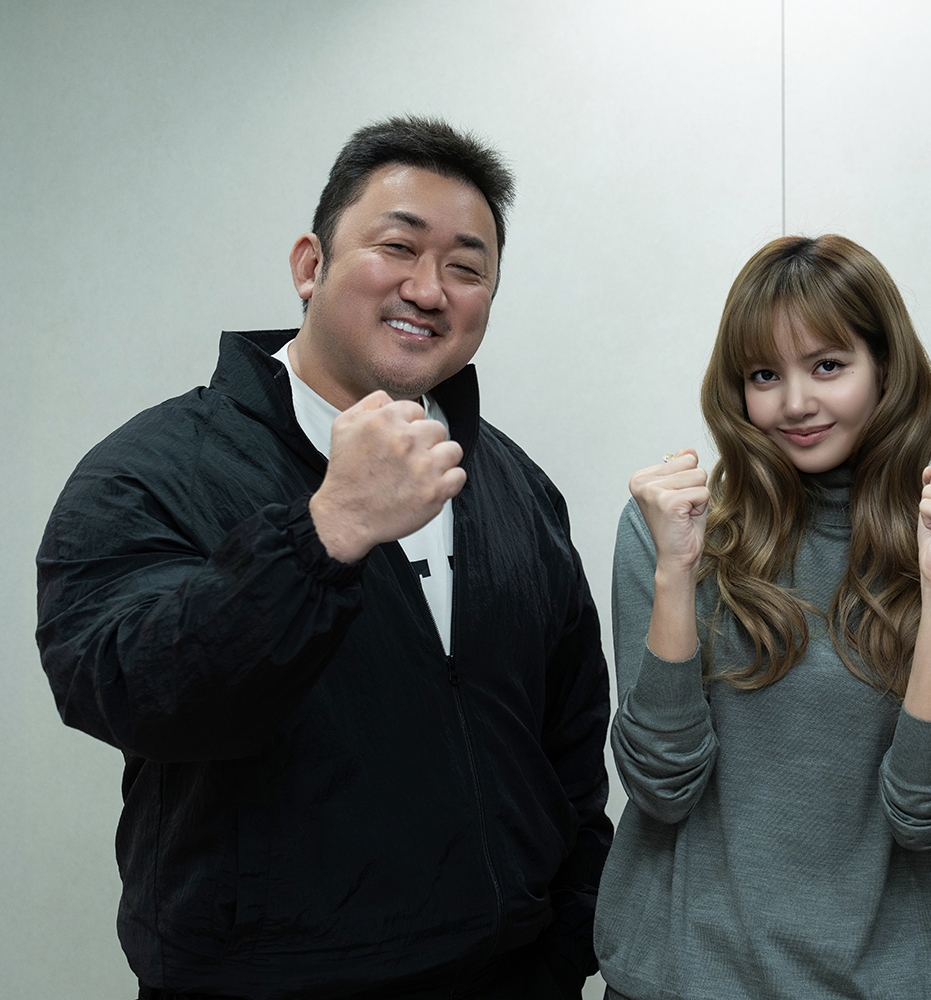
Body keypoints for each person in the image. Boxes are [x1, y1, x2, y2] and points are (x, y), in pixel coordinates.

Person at [36, 116, 612, 1000]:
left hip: (510, 973)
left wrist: (571, 931)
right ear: (311, 266)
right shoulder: (152, 469)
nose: (429, 289)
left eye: (467, 268)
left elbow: (569, 738)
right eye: (398, 247)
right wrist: (324, 534)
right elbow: (121, 688)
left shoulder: (513, 485)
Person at [594, 234, 931, 1000]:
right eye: (764, 375)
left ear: (886, 369)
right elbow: (661, 785)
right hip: (677, 979)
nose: (795, 403)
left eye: (827, 366)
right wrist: (675, 572)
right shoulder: (670, 532)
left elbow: (926, 815)